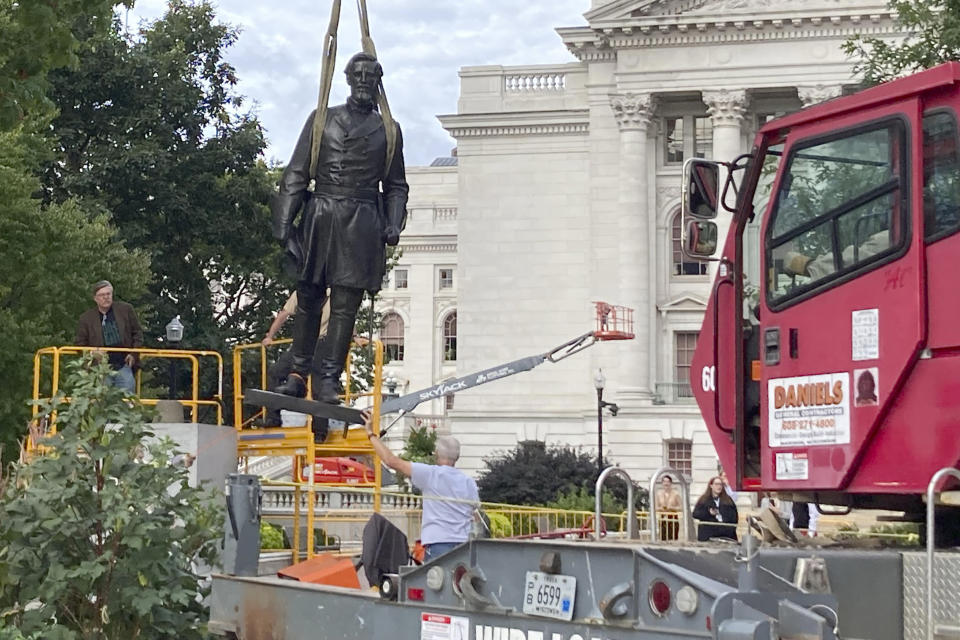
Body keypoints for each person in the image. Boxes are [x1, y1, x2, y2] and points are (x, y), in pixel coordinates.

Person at [272, 52, 408, 404]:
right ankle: (298, 373)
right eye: (358, 75)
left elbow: (396, 185)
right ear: (348, 78)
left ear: (378, 83)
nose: (363, 82)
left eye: (370, 76)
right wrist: (285, 228)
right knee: (309, 298)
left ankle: (328, 379)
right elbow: (297, 173)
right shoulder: (322, 120)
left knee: (346, 305)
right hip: (322, 216)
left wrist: (394, 222)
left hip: (361, 221)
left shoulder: (388, 130)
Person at [362, 410, 478, 561]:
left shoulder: (430, 474)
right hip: (464, 545)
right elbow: (474, 514)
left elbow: (391, 461)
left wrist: (371, 434)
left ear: (436, 453)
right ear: (457, 457)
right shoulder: (469, 482)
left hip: (439, 544)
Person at [74, 280, 143, 393]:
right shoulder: (86, 318)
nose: (106, 297)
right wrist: (93, 353)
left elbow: (137, 333)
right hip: (100, 368)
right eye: (102, 295)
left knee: (127, 401)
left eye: (108, 294)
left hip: (123, 364)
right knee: (102, 402)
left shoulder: (126, 310)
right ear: (95, 298)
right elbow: (79, 344)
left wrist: (133, 354)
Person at [692, 476, 739, 542]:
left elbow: (734, 516)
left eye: (720, 484)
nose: (719, 487)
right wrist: (709, 513)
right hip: (709, 534)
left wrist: (730, 529)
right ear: (711, 486)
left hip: (726, 535)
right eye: (716, 484)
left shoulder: (728, 500)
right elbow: (695, 514)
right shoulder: (704, 499)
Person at [655, 475, 683, 540]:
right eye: (664, 481)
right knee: (663, 537)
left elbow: (682, 507)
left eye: (668, 482)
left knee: (672, 537)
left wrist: (672, 508)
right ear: (662, 483)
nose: (666, 483)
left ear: (671, 483)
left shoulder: (676, 494)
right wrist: (661, 508)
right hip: (663, 518)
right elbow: (655, 507)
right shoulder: (658, 494)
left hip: (673, 518)